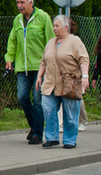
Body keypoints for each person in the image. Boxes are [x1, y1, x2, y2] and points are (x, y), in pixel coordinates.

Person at [5, 0, 54, 145]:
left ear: (31, 3)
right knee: (22, 97)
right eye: (17, 2)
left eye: (22, 3)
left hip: (40, 67)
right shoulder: (17, 21)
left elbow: (50, 40)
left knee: (38, 100)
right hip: (22, 67)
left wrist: (50, 62)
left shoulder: (43, 17)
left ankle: (38, 134)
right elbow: (12, 41)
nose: (19, 6)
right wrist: (9, 59)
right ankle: (34, 125)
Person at [36, 15, 89, 149]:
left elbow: (83, 59)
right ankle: (51, 138)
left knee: (70, 112)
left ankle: (70, 140)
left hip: (69, 83)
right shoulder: (51, 42)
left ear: (66, 27)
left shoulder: (75, 41)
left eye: (57, 26)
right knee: (48, 108)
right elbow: (43, 61)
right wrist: (39, 77)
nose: (54, 28)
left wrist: (85, 76)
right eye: (54, 26)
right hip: (50, 83)